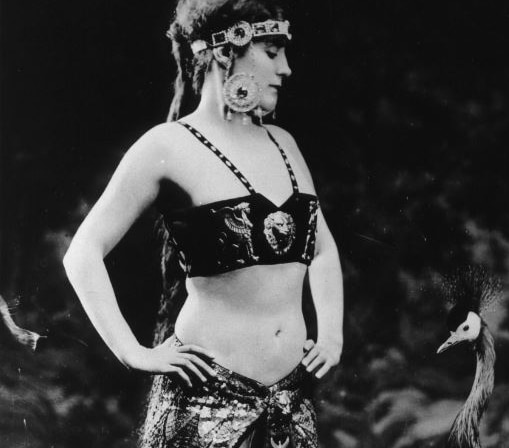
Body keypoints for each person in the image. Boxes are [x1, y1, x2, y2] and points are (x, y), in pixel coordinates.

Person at [62, 0, 343, 446]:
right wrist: (131, 351)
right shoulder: (167, 146)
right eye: (272, 53)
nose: (286, 69)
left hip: (291, 403)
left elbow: (322, 249)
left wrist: (331, 332)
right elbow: (83, 252)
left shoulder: (285, 144)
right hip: (205, 402)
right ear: (225, 51)